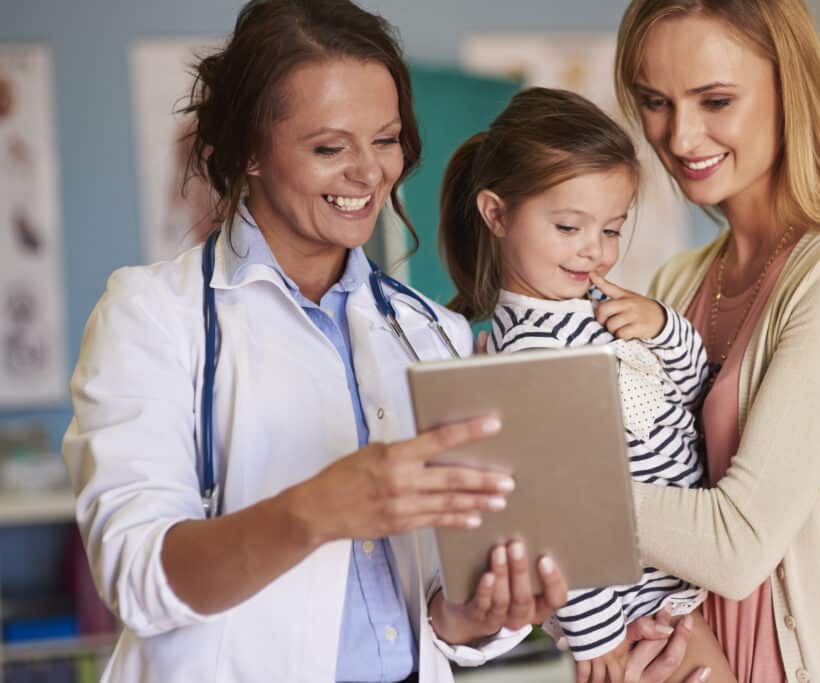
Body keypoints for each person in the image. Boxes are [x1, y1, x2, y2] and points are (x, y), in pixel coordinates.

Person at [61, 1, 570, 681]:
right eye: (330, 147)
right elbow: (136, 575)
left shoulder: (432, 332)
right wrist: (314, 511)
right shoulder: (152, 315)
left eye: (385, 139)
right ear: (249, 151)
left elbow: (432, 607)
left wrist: (476, 617)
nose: (368, 173)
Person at [612, 0, 820, 681]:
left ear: (791, 87)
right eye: (656, 102)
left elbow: (736, 543)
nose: (680, 136)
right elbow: (648, 504)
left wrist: (547, 489)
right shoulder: (676, 284)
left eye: (716, 99)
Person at [438, 87, 732, 683]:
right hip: (627, 618)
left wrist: (664, 326)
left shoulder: (605, 310)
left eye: (612, 229)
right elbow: (552, 512)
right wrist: (598, 637)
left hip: (681, 589)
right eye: (569, 226)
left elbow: (697, 398)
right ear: (496, 214)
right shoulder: (526, 358)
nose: (594, 251)